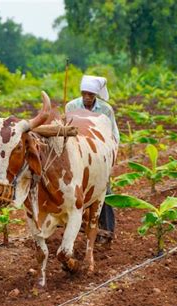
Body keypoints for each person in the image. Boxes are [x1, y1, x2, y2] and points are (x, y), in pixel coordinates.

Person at [65, 75, 119, 244]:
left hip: (96, 156)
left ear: (96, 95)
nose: (87, 97)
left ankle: (107, 230)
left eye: (90, 94)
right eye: (84, 94)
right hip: (76, 154)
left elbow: (114, 136)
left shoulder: (106, 110)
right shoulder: (71, 106)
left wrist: (110, 159)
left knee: (103, 190)